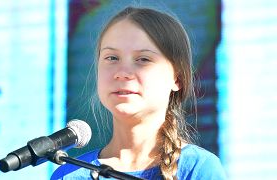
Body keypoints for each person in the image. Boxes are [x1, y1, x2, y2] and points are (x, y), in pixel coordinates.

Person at [51, 6, 226, 180]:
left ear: (177, 79)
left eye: (143, 59)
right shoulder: (68, 175)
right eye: (112, 58)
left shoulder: (198, 169)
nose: (122, 72)